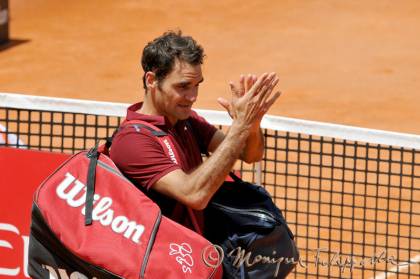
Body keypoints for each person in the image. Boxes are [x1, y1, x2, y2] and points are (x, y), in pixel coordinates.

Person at [110, 30, 280, 233]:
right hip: (161, 258)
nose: (193, 96)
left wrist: (252, 124)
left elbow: (250, 154)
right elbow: (194, 195)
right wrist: (240, 126)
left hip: (194, 252)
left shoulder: (186, 120)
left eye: (196, 85)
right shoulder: (133, 141)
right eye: (183, 86)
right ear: (152, 80)